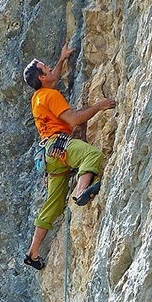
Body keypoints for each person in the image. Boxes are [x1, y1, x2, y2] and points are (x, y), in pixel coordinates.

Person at [22, 43, 115, 270]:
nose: (52, 69)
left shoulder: (38, 97)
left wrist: (62, 58)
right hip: (61, 146)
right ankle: (81, 191)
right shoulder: (51, 95)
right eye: (47, 68)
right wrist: (99, 106)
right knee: (91, 155)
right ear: (42, 78)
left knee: (52, 205)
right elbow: (74, 120)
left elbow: (52, 76)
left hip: (49, 156)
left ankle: (33, 253)